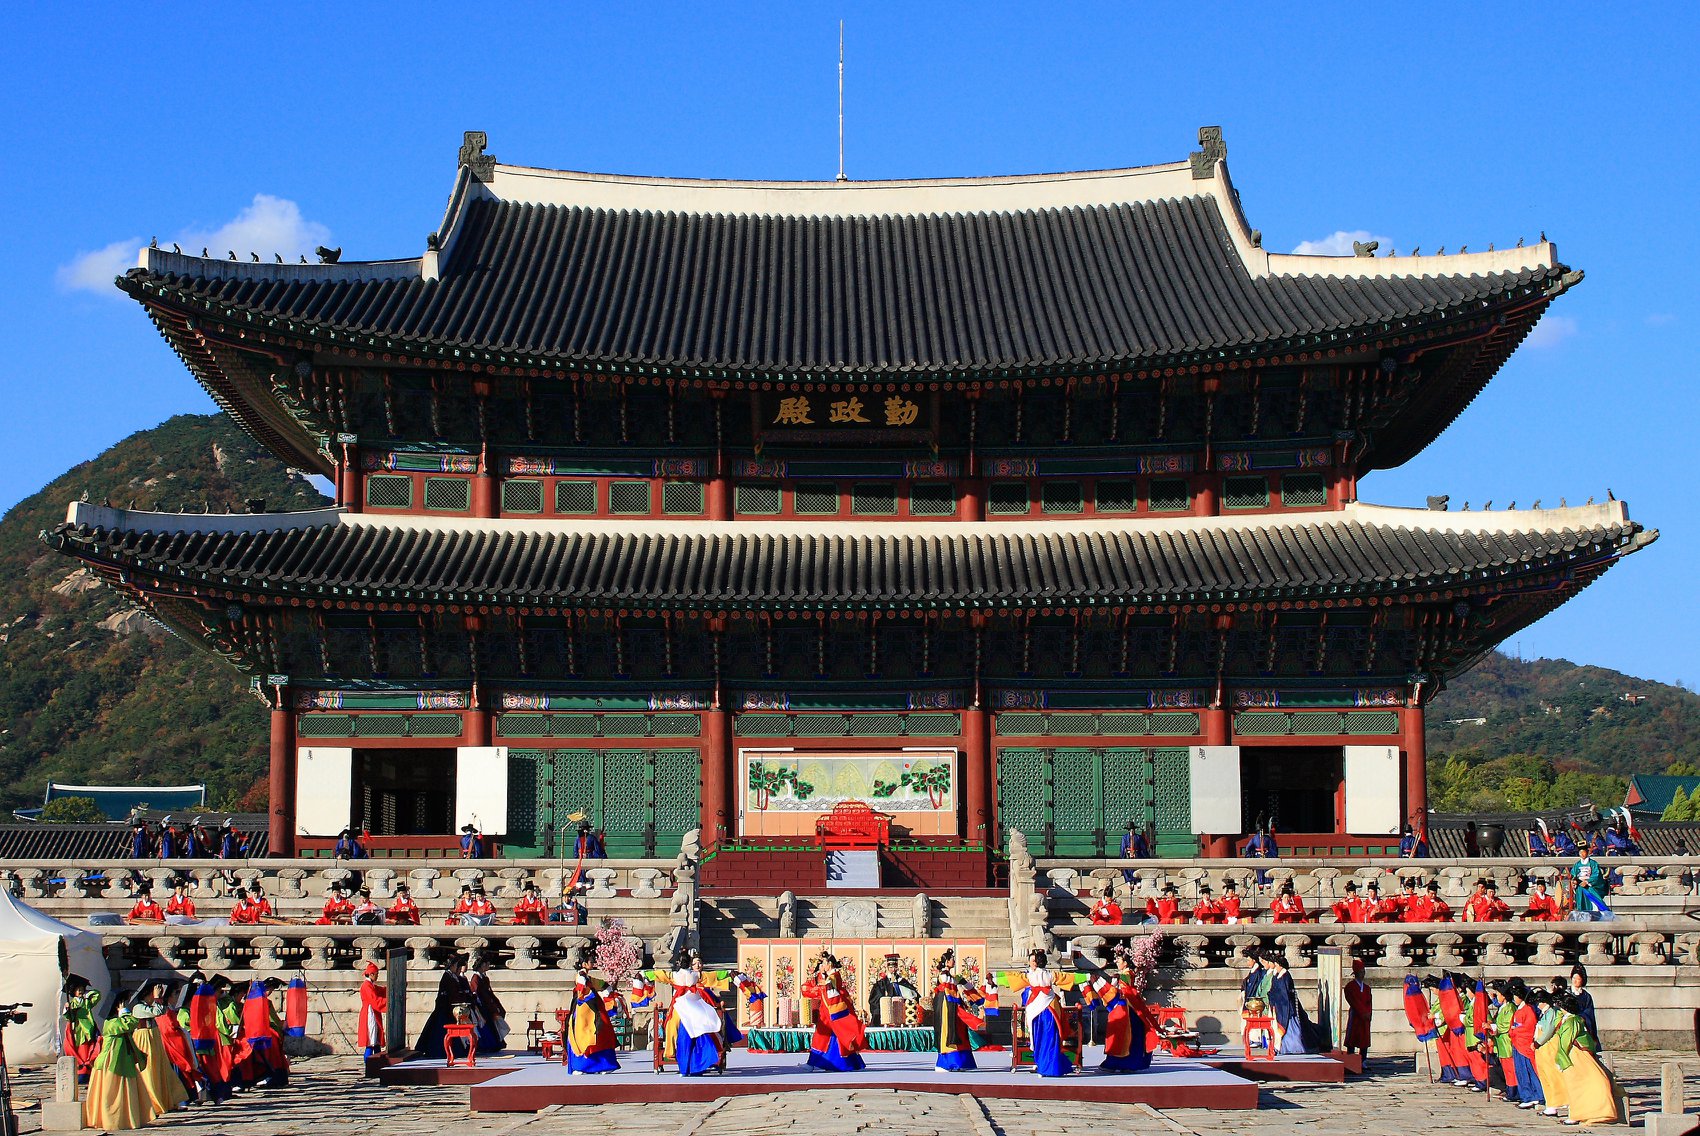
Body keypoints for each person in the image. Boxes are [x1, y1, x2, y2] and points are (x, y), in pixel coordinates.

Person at [82, 992, 155, 1131]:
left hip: (123, 1061)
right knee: (112, 1094)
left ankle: (125, 1119)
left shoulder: (117, 1022)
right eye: (123, 1003)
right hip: (111, 1063)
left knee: (125, 1093)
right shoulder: (111, 1023)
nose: (125, 1006)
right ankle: (112, 1121)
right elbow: (131, 1023)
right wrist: (124, 1011)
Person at [1085, 945, 1156, 1073]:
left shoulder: (1127, 973)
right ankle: (1120, 1063)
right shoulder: (1122, 974)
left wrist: (1117, 978)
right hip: (1122, 1007)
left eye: (1119, 960)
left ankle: (1124, 1063)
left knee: (1126, 1036)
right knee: (1121, 1036)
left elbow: (1125, 979)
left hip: (1128, 1009)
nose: (1116, 962)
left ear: (1125, 962)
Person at [1007, 949, 1077, 1077]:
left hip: (1035, 1012)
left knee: (1039, 1039)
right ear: (1045, 962)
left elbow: (1012, 979)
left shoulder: (1029, 976)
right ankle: (1051, 1068)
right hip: (1050, 1010)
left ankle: (1042, 1066)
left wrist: (994, 977)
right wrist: (1087, 977)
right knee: (1051, 1039)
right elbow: (1069, 978)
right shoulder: (1051, 975)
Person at [1553, 992, 1618, 1124]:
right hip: (1579, 1054)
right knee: (1581, 1083)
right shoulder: (1575, 1019)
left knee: (1576, 1085)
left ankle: (1577, 1114)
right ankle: (1580, 1113)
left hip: (1574, 1055)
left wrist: (1560, 1060)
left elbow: (1565, 1042)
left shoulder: (1571, 1021)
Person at [127, 983, 189, 1116]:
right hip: (144, 1038)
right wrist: (157, 998)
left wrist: (159, 999)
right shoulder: (138, 1007)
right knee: (150, 1071)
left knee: (161, 1069)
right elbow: (157, 1012)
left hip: (154, 1037)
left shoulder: (151, 1005)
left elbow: (163, 1010)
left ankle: (168, 1101)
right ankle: (152, 1104)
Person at [801, 951, 867, 1072]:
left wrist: (822, 985)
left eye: (824, 963)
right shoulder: (830, 976)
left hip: (832, 1011)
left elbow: (831, 993)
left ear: (830, 964)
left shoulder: (833, 976)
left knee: (826, 1037)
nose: (822, 966)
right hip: (827, 1011)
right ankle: (815, 1063)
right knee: (825, 1037)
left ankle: (821, 1063)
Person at [663, 957, 725, 1076]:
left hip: (689, 1011)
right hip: (687, 1010)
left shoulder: (682, 976)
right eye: (694, 963)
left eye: (699, 963)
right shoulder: (690, 976)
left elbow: (660, 975)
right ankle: (679, 1058)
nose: (697, 965)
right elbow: (715, 976)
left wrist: (646, 974)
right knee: (676, 1027)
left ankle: (687, 1068)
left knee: (689, 1040)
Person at [929, 950, 984, 1072]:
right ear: (946, 962)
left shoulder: (952, 976)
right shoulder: (944, 975)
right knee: (948, 1031)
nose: (954, 961)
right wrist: (958, 982)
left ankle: (961, 1062)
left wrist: (977, 998)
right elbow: (948, 986)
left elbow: (966, 986)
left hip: (953, 1004)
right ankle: (944, 1063)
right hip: (946, 1004)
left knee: (959, 1030)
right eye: (952, 959)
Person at [414, 954, 473, 1061]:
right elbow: (450, 992)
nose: (457, 967)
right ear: (452, 965)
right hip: (444, 1007)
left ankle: (454, 1050)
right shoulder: (447, 976)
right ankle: (438, 1050)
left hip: (450, 1007)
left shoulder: (452, 976)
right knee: (440, 1030)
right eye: (456, 965)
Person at [563, 961, 619, 1073]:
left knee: (600, 1034)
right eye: (590, 961)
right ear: (584, 963)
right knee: (584, 1037)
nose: (592, 963)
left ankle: (603, 1065)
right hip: (584, 1009)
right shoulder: (581, 976)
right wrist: (602, 993)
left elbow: (603, 985)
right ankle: (582, 1066)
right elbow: (582, 992)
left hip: (592, 1009)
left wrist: (608, 990)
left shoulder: (588, 977)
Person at [1264, 952, 1323, 1054]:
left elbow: (1285, 993)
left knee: (1291, 1028)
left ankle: (1294, 1047)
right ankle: (1281, 1047)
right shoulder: (1277, 976)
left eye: (1277, 965)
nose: (1276, 967)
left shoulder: (1285, 976)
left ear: (1280, 965)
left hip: (1288, 1007)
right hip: (1279, 1006)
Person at [1508, 981, 1545, 1111]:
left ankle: (1534, 1095)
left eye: (1516, 996)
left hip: (1524, 1045)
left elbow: (1529, 1027)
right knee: (1521, 1072)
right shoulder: (1520, 1009)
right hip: (1517, 1044)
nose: (1514, 998)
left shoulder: (1528, 1009)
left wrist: (1514, 1030)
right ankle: (1527, 1095)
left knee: (1528, 1071)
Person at [62, 974, 102, 1080]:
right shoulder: (72, 1003)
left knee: (90, 1049)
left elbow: (97, 995)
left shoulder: (86, 1002)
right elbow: (68, 1017)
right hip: (79, 1029)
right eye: (78, 989)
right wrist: (67, 1009)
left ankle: (89, 1071)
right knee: (81, 1050)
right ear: (73, 992)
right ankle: (81, 1073)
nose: (80, 991)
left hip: (89, 1028)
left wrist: (88, 993)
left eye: (82, 989)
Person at [866, 954, 919, 1025]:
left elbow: (914, 996)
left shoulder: (903, 982)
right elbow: (874, 1002)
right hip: (886, 1017)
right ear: (887, 968)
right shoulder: (881, 984)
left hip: (902, 1015)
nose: (893, 970)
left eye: (895, 967)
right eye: (891, 967)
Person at [468, 959, 508, 1052]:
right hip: (481, 1006)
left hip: (488, 1004)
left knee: (492, 1024)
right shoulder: (476, 978)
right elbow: (476, 993)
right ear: (482, 965)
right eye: (486, 964)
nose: (488, 966)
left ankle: (495, 1044)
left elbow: (489, 992)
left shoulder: (484, 978)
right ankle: (486, 1046)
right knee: (485, 1026)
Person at [1342, 958, 1372, 1059]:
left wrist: (1368, 1013)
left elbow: (1369, 1002)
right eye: (1360, 972)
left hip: (1365, 1016)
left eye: (1363, 972)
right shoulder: (1350, 987)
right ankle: (1350, 1058)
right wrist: (1362, 1012)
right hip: (1356, 1014)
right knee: (1353, 1037)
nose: (1362, 974)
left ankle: (1363, 1059)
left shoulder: (1367, 988)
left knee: (1364, 1038)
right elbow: (1353, 1001)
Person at [1570, 850, 1612, 920]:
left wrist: (1587, 882)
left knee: (1595, 903)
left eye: (1583, 852)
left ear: (1587, 852)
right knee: (1580, 904)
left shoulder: (1593, 863)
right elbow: (1573, 874)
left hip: (1590, 887)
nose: (1582, 854)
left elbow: (1596, 875)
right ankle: (1582, 919)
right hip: (1580, 887)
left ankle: (1600, 917)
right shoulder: (1577, 864)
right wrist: (1574, 881)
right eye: (1580, 852)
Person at [358, 962, 387, 1058]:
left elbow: (381, 990)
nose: (377, 976)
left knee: (376, 1040)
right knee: (371, 1041)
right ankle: (368, 1063)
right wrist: (388, 1001)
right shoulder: (366, 986)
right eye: (376, 974)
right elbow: (374, 1000)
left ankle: (377, 1062)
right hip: (369, 1014)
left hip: (373, 1013)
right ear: (371, 974)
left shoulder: (371, 985)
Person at [1568, 964, 1599, 1049]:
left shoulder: (1586, 996)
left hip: (1584, 1025)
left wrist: (1582, 1017)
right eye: (1574, 978)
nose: (1575, 981)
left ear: (1582, 980)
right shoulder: (1566, 993)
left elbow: (1589, 1013)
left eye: (1578, 979)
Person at [1241, 823, 1278, 889]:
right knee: (1260, 872)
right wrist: (1251, 855)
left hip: (1266, 855)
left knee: (1266, 871)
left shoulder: (1266, 838)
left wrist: (1271, 855)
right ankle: (1261, 886)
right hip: (1259, 856)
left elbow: (1272, 847)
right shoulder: (1255, 838)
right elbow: (1248, 848)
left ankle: (1266, 885)